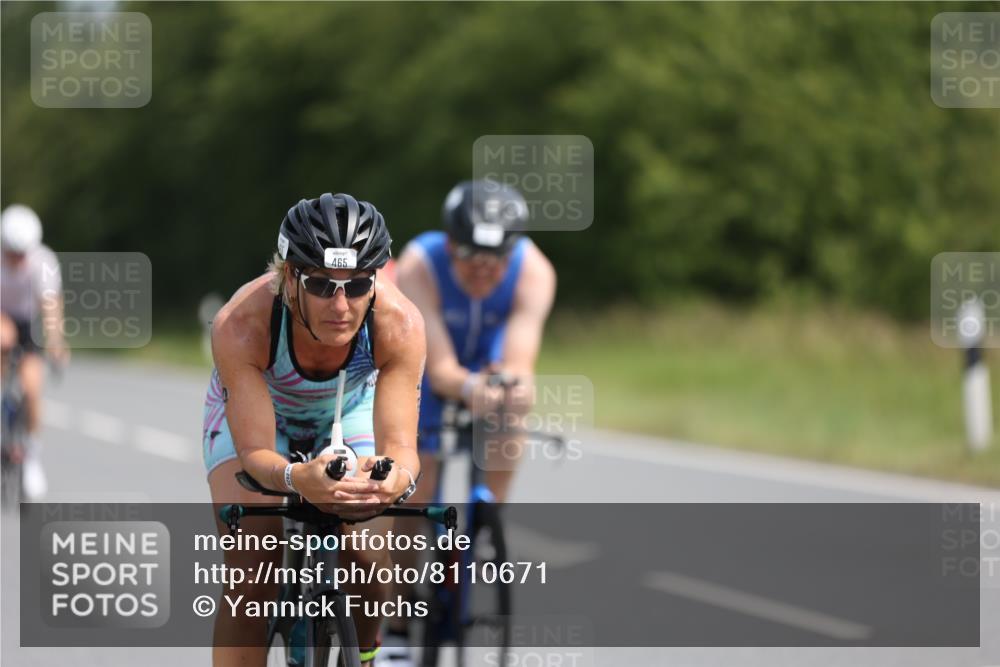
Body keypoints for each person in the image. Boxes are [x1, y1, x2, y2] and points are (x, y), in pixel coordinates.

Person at [204, 193, 426, 667]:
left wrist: (390, 481)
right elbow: (256, 453)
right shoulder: (242, 324)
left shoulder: (400, 324)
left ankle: (364, 656)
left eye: (358, 284)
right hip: (262, 419)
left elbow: (403, 450)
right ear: (289, 277)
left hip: (347, 411)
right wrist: (296, 479)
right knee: (252, 563)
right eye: (322, 285)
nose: (341, 305)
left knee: (368, 551)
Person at [396, 180, 556, 504]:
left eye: (496, 258)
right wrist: (469, 388)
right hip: (429, 369)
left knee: (513, 407)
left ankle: (489, 519)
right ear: (450, 243)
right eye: (470, 254)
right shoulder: (418, 265)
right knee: (416, 494)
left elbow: (519, 365)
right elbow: (439, 370)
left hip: (490, 361)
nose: (482, 269)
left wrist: (514, 389)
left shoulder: (535, 271)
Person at [0, 204, 69, 500]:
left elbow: (51, 306)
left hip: (29, 324)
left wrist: (56, 343)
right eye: (11, 252)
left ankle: (31, 456)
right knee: (3, 338)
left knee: (31, 388)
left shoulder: (43, 262)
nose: (17, 259)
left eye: (22, 253)